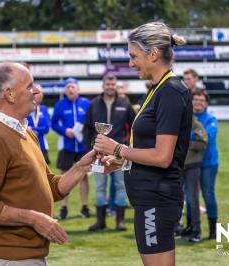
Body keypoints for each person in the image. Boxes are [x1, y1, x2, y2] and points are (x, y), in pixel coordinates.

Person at [0, 62, 97, 265]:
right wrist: (34, 219)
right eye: (29, 86)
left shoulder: (26, 132)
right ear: (9, 94)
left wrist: (82, 166)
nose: (36, 91)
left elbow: (49, 186)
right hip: (8, 258)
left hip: (26, 256)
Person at [94, 22, 190, 266]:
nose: (130, 63)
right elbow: (151, 149)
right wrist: (122, 161)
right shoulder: (159, 89)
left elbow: (163, 157)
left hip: (157, 200)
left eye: (133, 56)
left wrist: (117, 148)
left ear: (154, 54)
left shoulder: (170, 91)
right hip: (149, 199)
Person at [83, 74, 135, 231]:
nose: (110, 86)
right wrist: (90, 149)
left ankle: (120, 221)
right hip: (98, 154)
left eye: (113, 83)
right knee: (100, 186)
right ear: (103, 85)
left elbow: (134, 127)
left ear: (116, 85)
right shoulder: (94, 104)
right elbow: (87, 128)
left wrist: (129, 149)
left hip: (120, 154)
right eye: (108, 83)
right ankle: (101, 221)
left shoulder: (125, 104)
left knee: (120, 186)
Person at [51, 78, 91, 219]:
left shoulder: (86, 103)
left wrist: (84, 129)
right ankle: (63, 208)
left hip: (82, 146)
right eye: (68, 87)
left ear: (78, 89)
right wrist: (64, 131)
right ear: (65, 90)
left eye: (73, 87)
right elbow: (53, 124)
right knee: (64, 177)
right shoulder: (60, 104)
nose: (70, 89)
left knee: (83, 176)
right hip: (66, 145)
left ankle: (85, 207)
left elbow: (92, 122)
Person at [191, 89, 219, 239]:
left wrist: (189, 136)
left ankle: (213, 230)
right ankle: (191, 226)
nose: (198, 102)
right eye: (195, 99)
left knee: (208, 195)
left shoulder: (211, 119)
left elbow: (207, 136)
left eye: (201, 100)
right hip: (190, 162)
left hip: (208, 162)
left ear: (206, 103)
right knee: (191, 195)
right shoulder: (186, 118)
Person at [179, 116, 208, 242]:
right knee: (175, 198)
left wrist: (186, 140)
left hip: (192, 166)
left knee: (192, 199)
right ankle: (176, 228)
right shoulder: (171, 121)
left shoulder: (196, 124)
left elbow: (203, 144)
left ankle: (196, 231)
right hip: (176, 166)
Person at [27, 85, 51, 164]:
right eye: (38, 92)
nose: (40, 94)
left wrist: (32, 129)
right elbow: (22, 127)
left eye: (42, 92)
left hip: (42, 145)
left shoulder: (43, 109)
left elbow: (47, 128)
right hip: (28, 145)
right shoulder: (25, 108)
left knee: (44, 173)